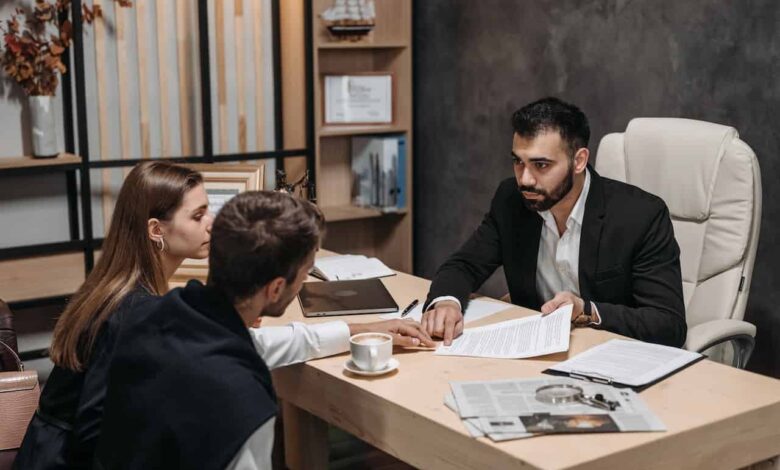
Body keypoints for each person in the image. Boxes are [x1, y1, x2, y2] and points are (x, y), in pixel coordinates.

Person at [15, 162, 429, 469]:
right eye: (197, 216)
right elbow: (93, 432)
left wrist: (362, 329)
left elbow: (250, 344)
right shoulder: (134, 314)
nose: (210, 224)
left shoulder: (147, 297)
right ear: (156, 229)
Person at [421, 97, 686, 347]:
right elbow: (464, 265)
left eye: (541, 165)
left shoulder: (641, 216)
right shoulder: (512, 200)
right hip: (536, 351)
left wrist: (588, 311)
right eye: (518, 162)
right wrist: (446, 302)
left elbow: (667, 324)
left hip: (613, 356)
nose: (525, 179)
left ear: (579, 161)